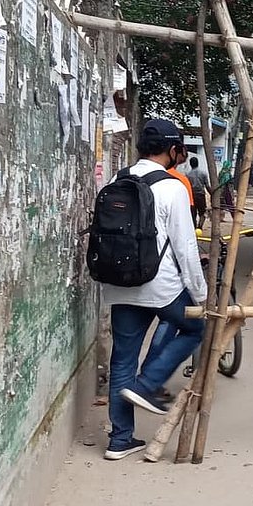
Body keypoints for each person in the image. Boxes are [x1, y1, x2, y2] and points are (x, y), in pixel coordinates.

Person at [101, 118, 208, 461]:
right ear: (173, 150)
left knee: (122, 359)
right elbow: (186, 248)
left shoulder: (119, 179)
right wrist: (201, 293)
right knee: (195, 328)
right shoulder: (172, 186)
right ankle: (147, 384)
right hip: (159, 286)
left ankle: (120, 440)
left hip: (119, 284)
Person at [186, 155, 210, 228]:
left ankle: (194, 227)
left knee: (193, 213)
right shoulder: (203, 173)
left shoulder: (188, 175)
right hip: (201, 195)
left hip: (192, 196)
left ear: (190, 164)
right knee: (202, 212)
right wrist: (212, 194)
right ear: (198, 163)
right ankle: (200, 227)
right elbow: (207, 186)